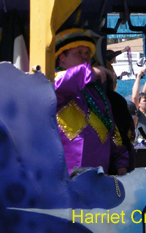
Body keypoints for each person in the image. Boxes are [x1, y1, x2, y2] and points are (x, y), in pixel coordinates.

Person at [54, 28, 129, 175]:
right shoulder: (53, 81)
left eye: (87, 53)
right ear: (62, 57)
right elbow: (59, 87)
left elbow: (111, 130)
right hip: (65, 181)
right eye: (79, 53)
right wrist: (90, 72)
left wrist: (121, 164)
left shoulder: (96, 92)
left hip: (97, 180)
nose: (85, 58)